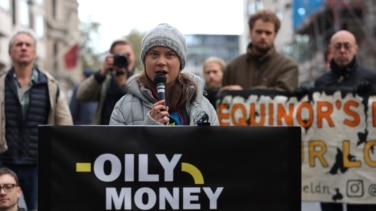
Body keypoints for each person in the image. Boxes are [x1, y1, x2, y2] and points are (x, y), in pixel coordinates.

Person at [0, 28, 73, 211]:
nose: (23, 48)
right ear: (10, 52)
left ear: (34, 52)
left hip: (37, 164)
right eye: (19, 44)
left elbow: (65, 126)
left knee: (37, 208)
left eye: (28, 45)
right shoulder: (1, 84)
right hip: (4, 162)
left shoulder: (50, 86)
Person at [110, 23, 219, 126]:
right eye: (154, 54)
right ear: (144, 61)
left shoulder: (203, 106)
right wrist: (150, 127)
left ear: (181, 62)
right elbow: (116, 145)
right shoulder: (124, 107)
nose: (161, 62)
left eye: (169, 55)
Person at [314, 30, 376, 211]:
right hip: (330, 159)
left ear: (355, 49)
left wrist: (369, 97)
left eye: (347, 46)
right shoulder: (320, 82)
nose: (342, 50)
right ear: (330, 50)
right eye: (338, 46)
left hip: (361, 161)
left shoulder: (371, 78)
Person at [220, 9, 298, 93]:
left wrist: (242, 93)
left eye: (268, 33)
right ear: (250, 33)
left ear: (275, 36)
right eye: (259, 32)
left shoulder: (287, 66)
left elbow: (284, 95)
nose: (263, 36)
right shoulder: (232, 67)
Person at [76, 39, 137, 125]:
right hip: (104, 133)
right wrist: (102, 73)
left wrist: (123, 84)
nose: (124, 58)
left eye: (128, 55)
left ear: (134, 55)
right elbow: (81, 95)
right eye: (120, 55)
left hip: (130, 134)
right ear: (112, 57)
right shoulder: (105, 80)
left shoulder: (141, 80)